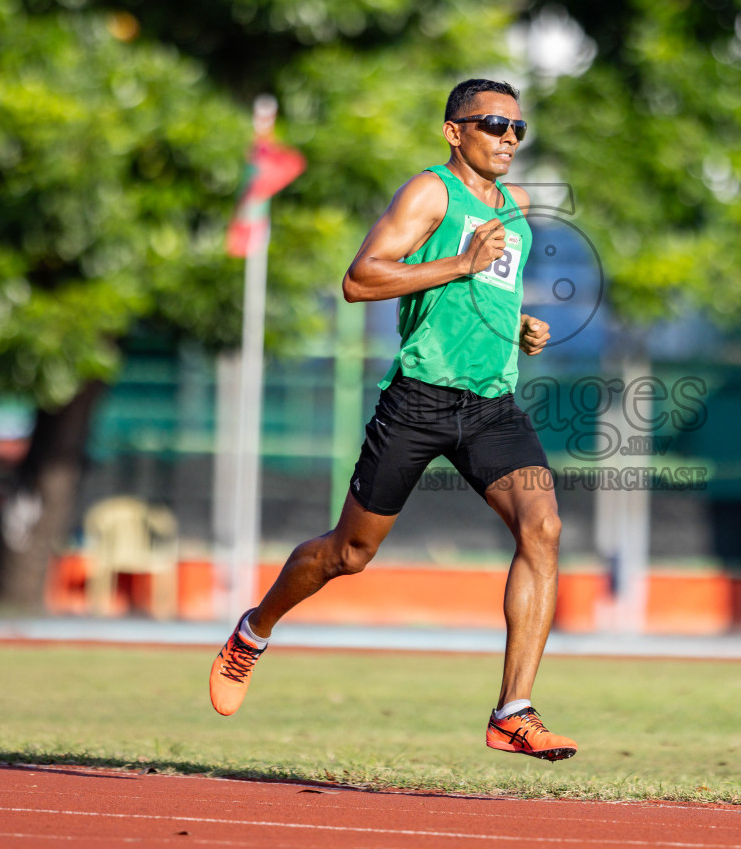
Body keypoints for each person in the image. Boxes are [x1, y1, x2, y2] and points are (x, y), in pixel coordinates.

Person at [209, 79, 576, 761]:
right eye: (494, 124)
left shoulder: (519, 210)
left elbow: (479, 295)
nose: (508, 139)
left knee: (544, 529)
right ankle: (254, 631)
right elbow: (361, 279)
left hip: (492, 403)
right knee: (348, 555)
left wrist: (518, 326)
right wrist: (461, 261)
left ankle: (512, 711)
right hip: (420, 399)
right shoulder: (431, 192)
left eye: (518, 129)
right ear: (454, 131)